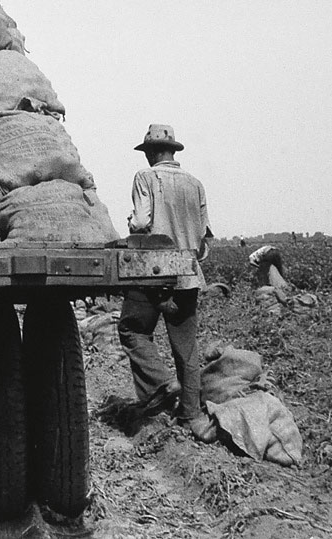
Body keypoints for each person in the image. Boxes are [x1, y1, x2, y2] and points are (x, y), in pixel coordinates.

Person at [117, 124, 214, 441]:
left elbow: (142, 222)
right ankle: (191, 415)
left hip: (152, 272)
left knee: (132, 329)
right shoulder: (195, 184)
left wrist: (131, 223)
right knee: (187, 349)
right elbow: (203, 240)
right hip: (186, 274)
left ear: (152, 152)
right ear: (173, 150)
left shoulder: (146, 178)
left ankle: (160, 385)